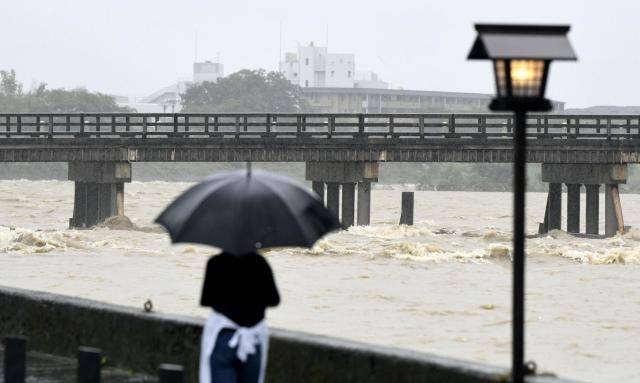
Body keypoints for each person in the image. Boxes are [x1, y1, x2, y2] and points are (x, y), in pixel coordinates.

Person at [199, 251, 280, 383]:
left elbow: (205, 300)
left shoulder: (215, 263)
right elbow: (275, 300)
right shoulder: (260, 263)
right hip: (253, 341)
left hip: (223, 338)